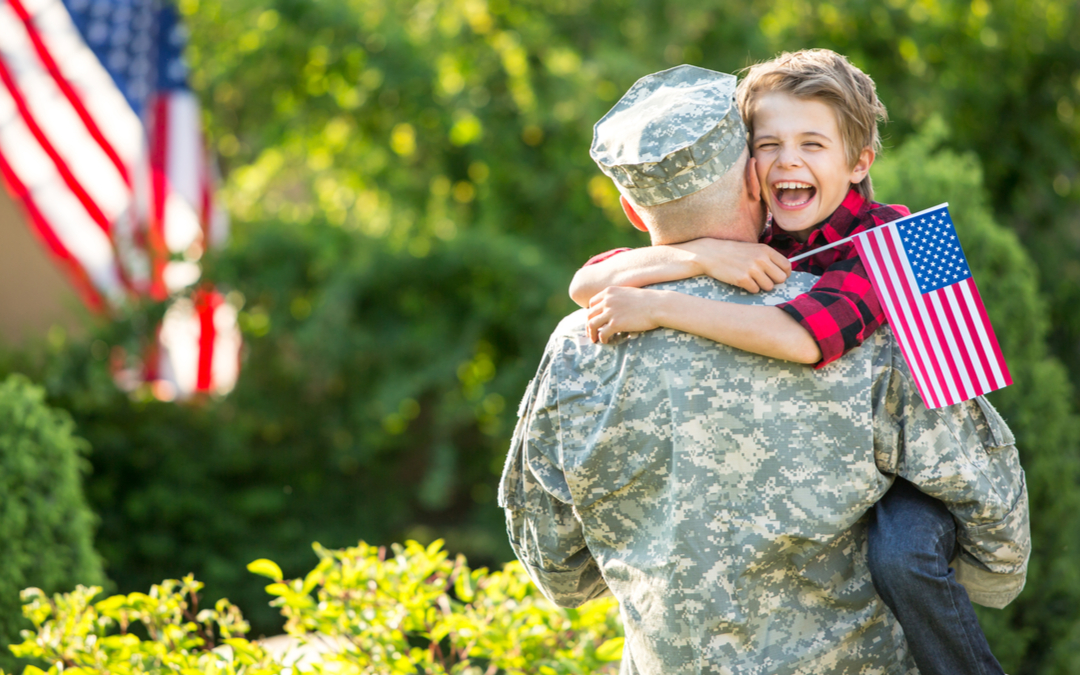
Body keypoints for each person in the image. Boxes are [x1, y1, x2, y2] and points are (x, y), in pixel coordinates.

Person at [499, 65, 1029, 674]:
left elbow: (559, 570)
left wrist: (666, 299)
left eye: (812, 145)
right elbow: (992, 514)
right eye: (768, 147)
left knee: (906, 550)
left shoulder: (890, 252)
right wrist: (707, 256)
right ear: (752, 174)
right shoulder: (784, 257)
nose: (785, 163)